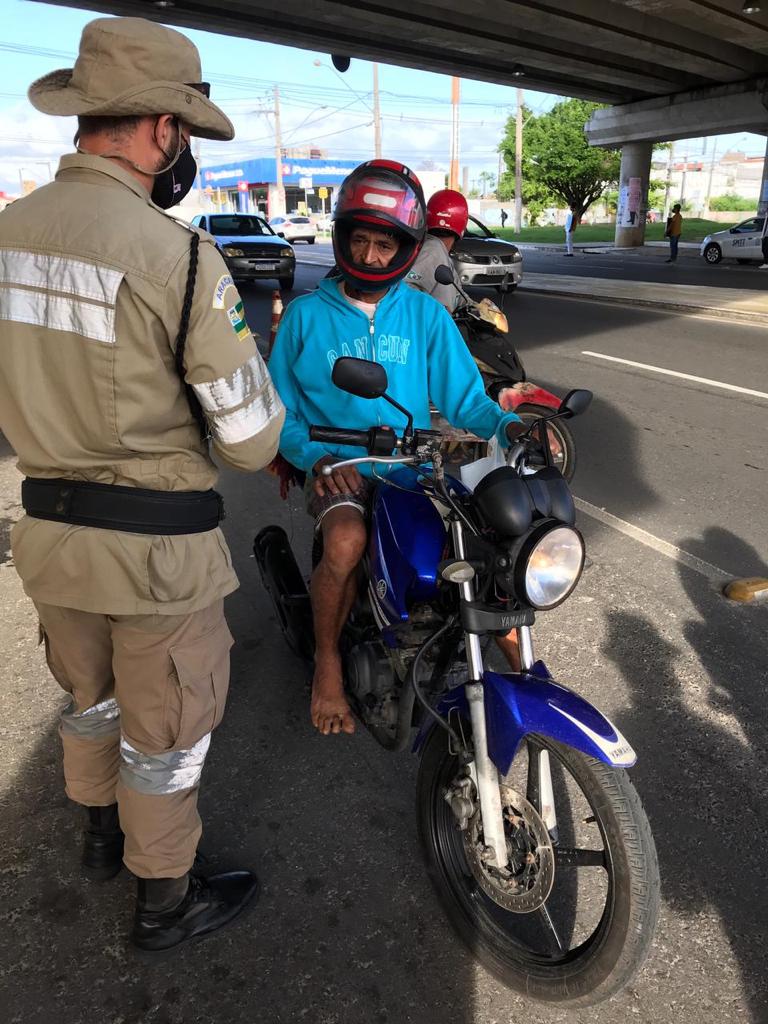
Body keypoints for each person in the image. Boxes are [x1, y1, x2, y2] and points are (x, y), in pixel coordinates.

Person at [0, 17, 285, 953]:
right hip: (157, 554)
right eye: (187, 133)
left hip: (50, 539)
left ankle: (95, 836)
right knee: (164, 731)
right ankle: (165, 898)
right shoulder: (182, 257)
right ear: (162, 128)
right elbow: (247, 442)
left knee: (88, 697)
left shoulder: (5, 236)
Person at [267, 161, 527, 737]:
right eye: (360, 239)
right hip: (341, 468)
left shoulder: (426, 315)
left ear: (407, 247)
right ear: (342, 238)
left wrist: (511, 427)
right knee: (345, 541)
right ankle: (329, 662)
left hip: (415, 467)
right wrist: (316, 460)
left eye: (385, 244)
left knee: (494, 544)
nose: (371, 255)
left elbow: (467, 402)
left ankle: (519, 658)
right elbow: (276, 412)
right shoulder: (306, 318)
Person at [405, 188, 469, 313]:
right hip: (427, 330)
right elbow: (406, 285)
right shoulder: (433, 250)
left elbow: (457, 293)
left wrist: (475, 306)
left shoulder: (440, 253)